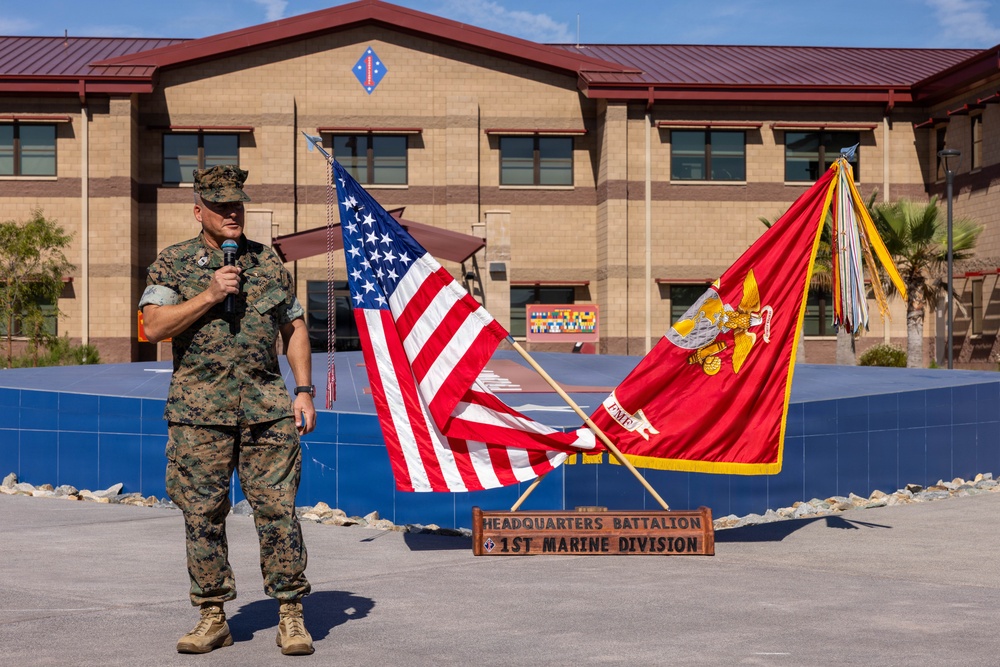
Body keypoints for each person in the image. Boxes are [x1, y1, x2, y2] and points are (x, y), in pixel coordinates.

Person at [139, 165, 317, 656]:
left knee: (279, 513)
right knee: (202, 516)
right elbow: (153, 327)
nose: (231, 213)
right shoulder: (172, 263)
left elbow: (294, 327)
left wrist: (303, 390)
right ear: (199, 212)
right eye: (220, 207)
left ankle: (291, 614)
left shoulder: (267, 262)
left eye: (237, 204)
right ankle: (213, 615)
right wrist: (212, 293)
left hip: (267, 411)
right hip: (200, 415)